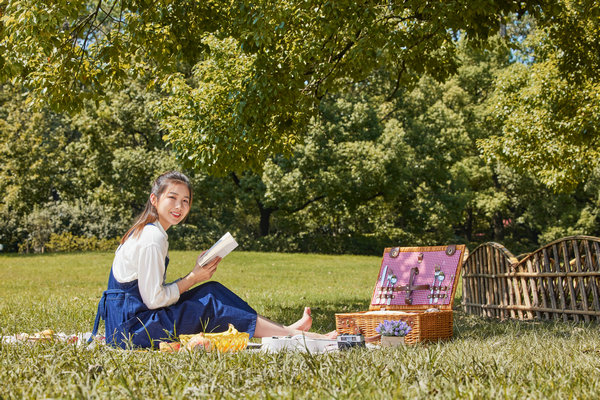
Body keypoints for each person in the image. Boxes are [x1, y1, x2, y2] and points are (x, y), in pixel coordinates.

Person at [90, 170, 335, 348]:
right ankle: (288, 334)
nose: (179, 206)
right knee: (210, 299)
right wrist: (194, 277)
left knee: (211, 290)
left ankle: (285, 331)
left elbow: (150, 296)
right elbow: (154, 300)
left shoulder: (148, 231)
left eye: (185, 201)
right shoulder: (152, 238)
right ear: (154, 199)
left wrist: (196, 278)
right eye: (172, 198)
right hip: (131, 333)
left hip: (127, 326)